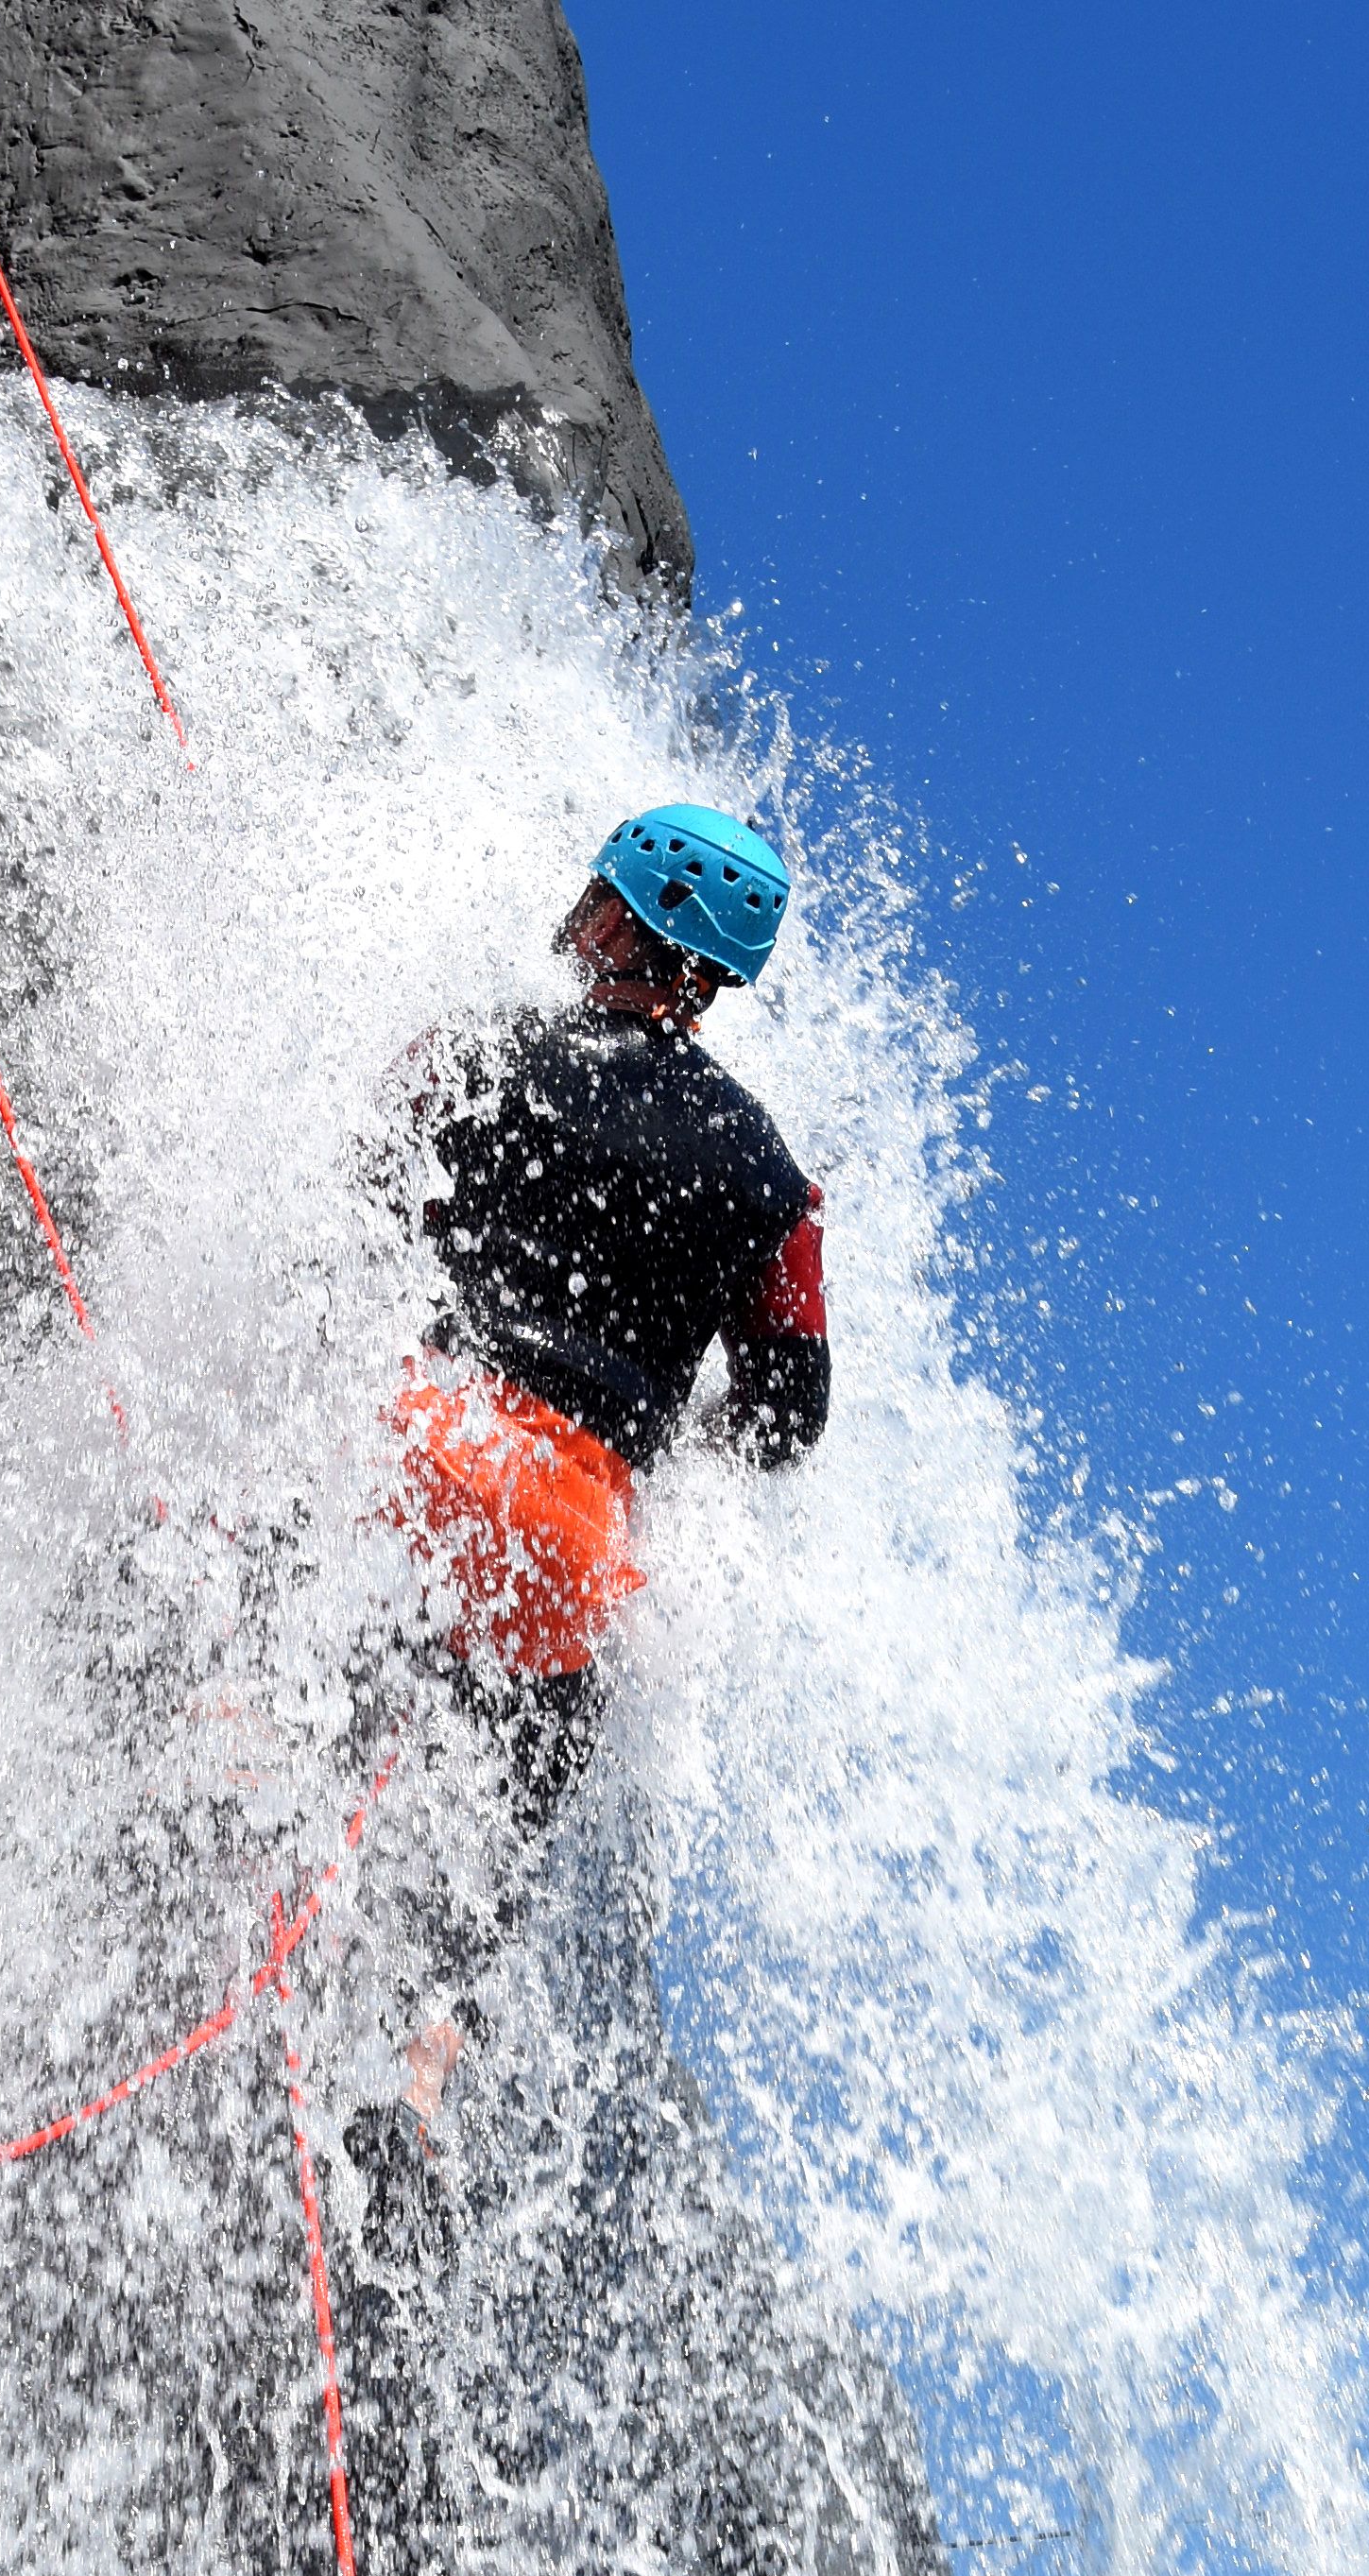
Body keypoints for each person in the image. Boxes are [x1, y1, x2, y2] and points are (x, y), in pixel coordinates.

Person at [371, 803, 830, 2127]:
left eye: (600, 886)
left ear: (634, 921)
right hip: (572, 1546)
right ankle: (420, 2063)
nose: (578, 900)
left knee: (300, 1650)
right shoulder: (777, 1188)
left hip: (422, 1439)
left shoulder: (488, 1049)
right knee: (490, 1841)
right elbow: (787, 1415)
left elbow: (354, 1199)